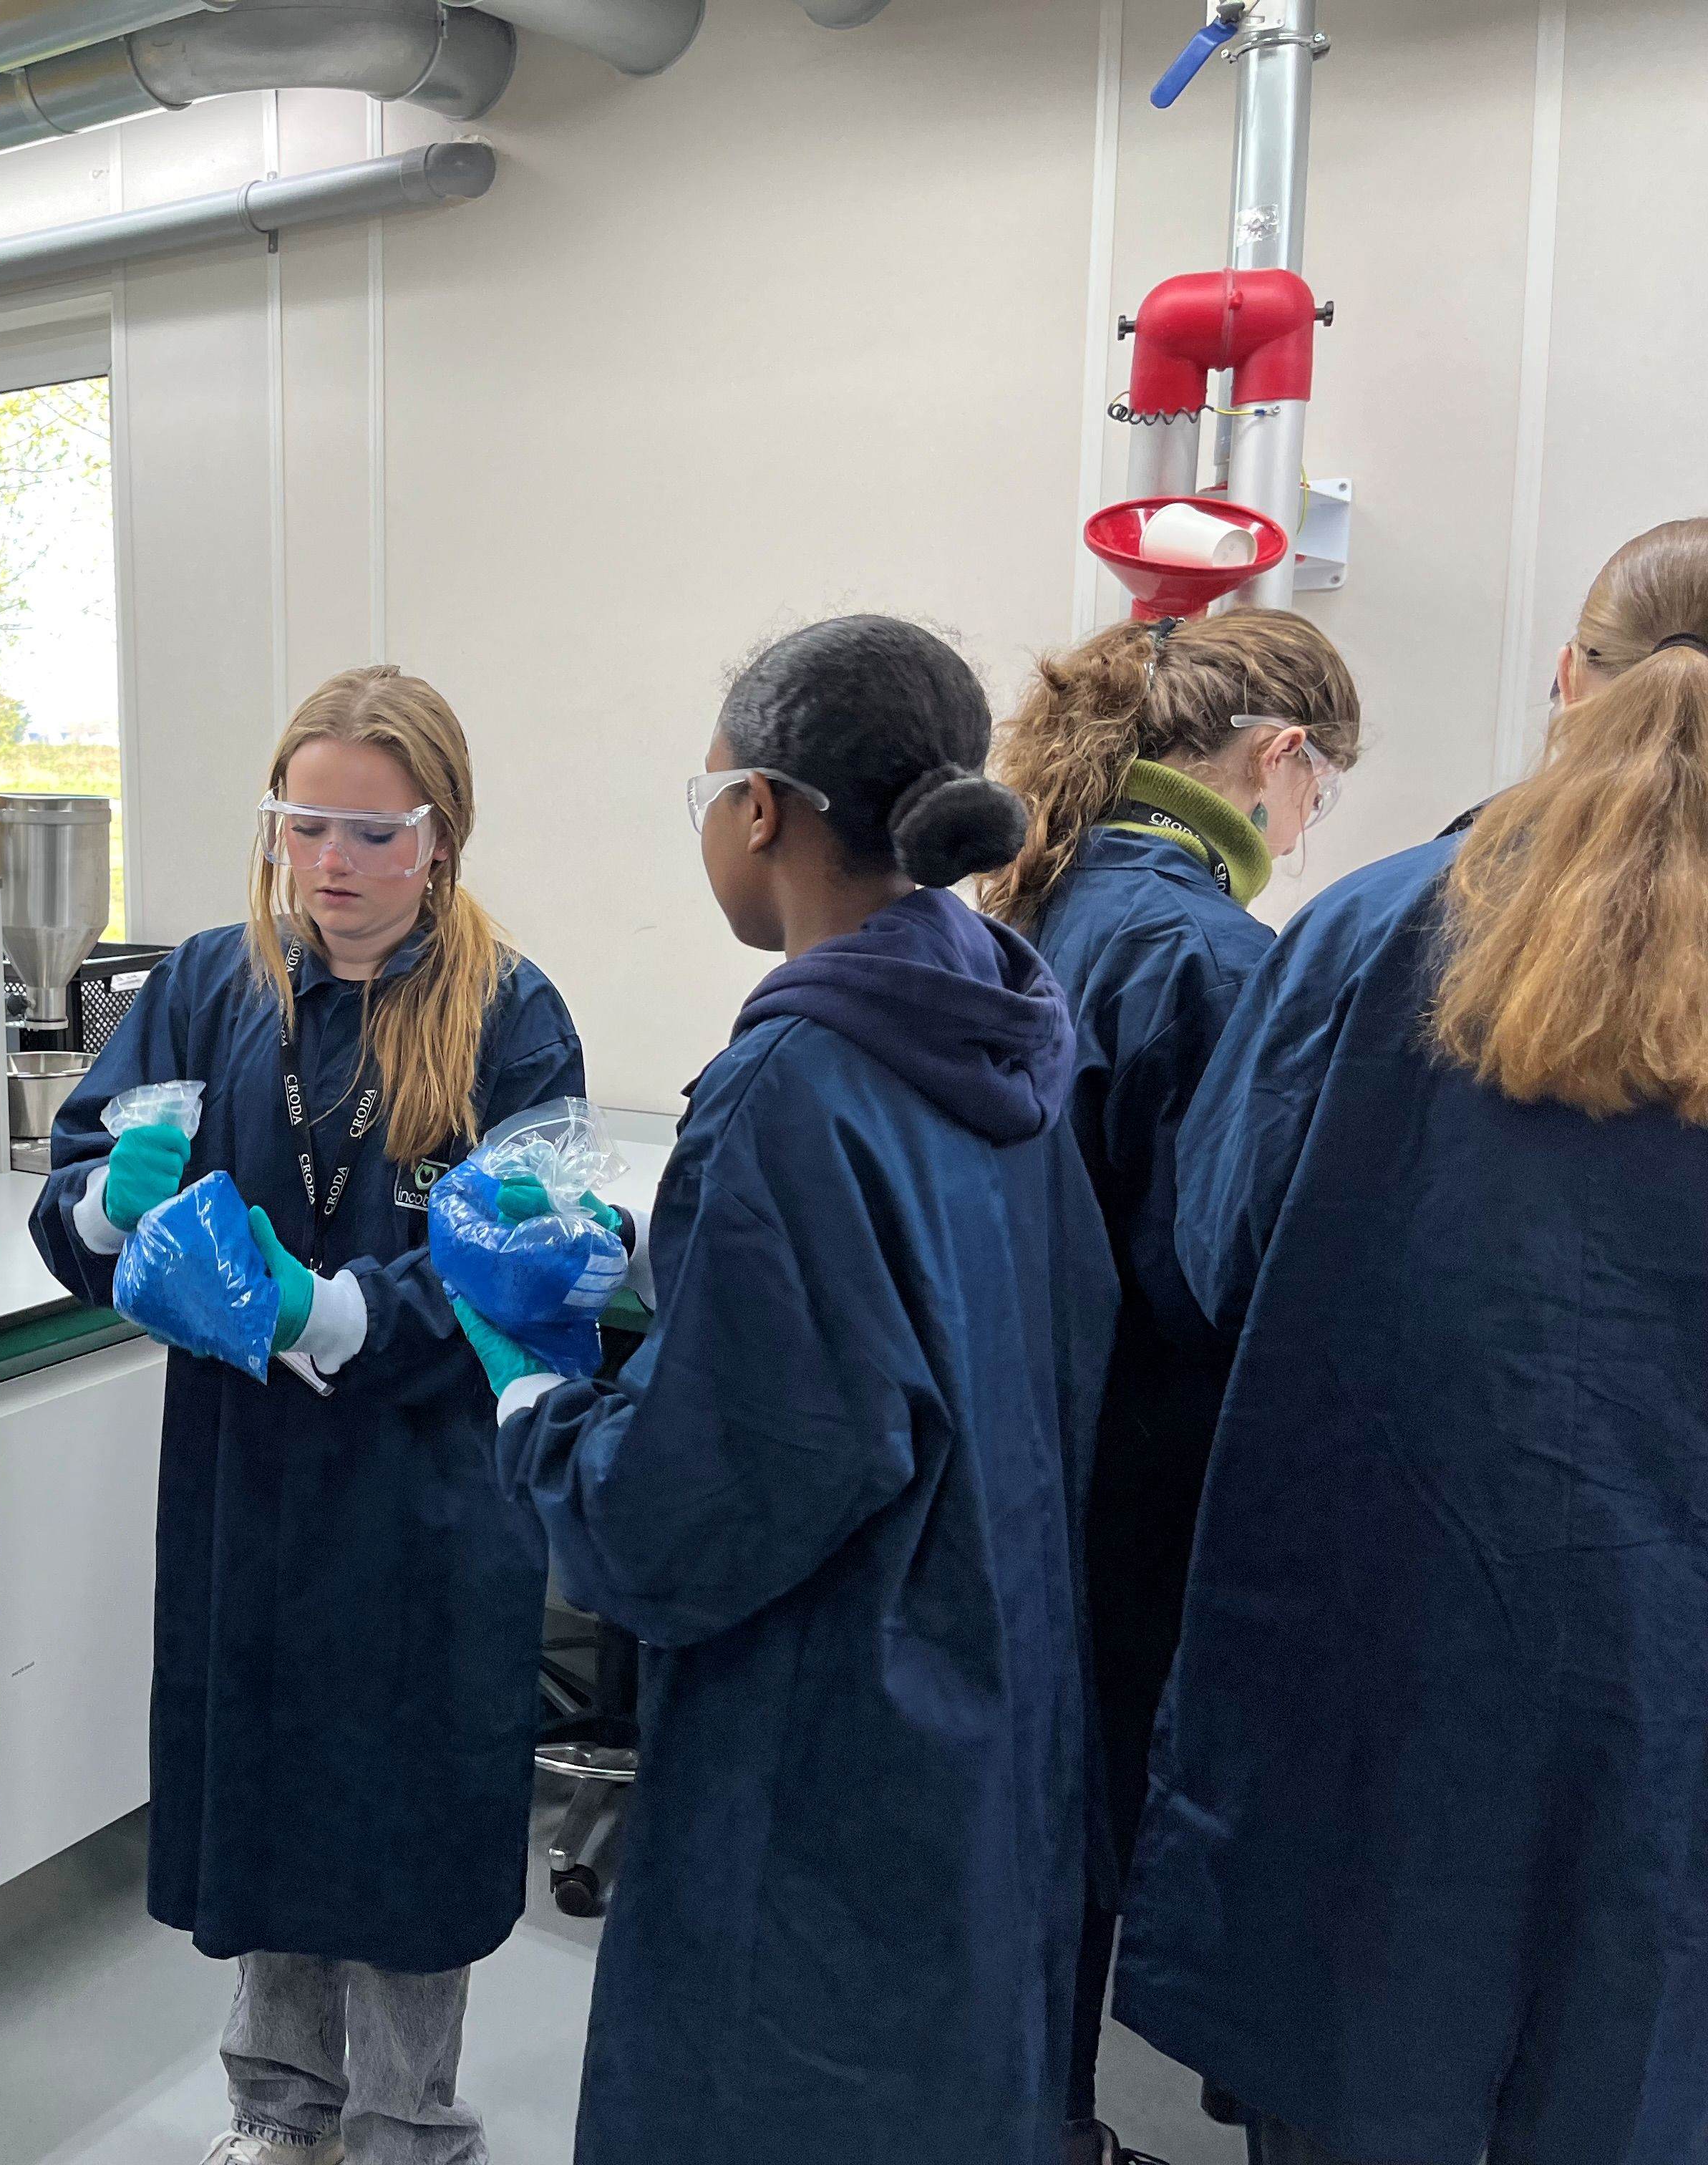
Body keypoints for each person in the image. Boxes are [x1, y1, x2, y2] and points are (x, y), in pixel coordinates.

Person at [452, 616, 1115, 2165]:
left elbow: (697, 1517)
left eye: (704, 796)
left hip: (831, 1753)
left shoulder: (796, 1084)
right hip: (989, 1699)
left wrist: (534, 1393)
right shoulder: (1004, 1032)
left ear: (761, 808)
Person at [1115, 518, 1708, 2165]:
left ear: (1565, 681)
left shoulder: (1375, 934)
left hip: (1387, 1688)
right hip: (1665, 1734)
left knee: (1364, 2081)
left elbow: (1218, 1253)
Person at [28, 666, 586, 2165]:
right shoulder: (213, 983)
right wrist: (98, 1199)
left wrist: (331, 1313)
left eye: (370, 832)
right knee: (270, 1789)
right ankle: (280, 2114)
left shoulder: (510, 1015)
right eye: (302, 824)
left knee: (406, 1811)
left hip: (423, 1489)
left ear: (439, 837)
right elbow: (76, 1195)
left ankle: (411, 2127)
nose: (331, 863)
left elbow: (526, 1283)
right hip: (251, 1480)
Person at [980, 609, 1363, 2165]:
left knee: (1039, 1810)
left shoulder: (1045, 899)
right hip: (1141, 1455)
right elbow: (1225, 1260)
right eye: (1321, 786)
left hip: (1025, 1434)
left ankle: (1031, 2112)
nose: (1311, 820)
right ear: (1279, 760)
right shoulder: (1212, 953)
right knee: (1101, 1805)